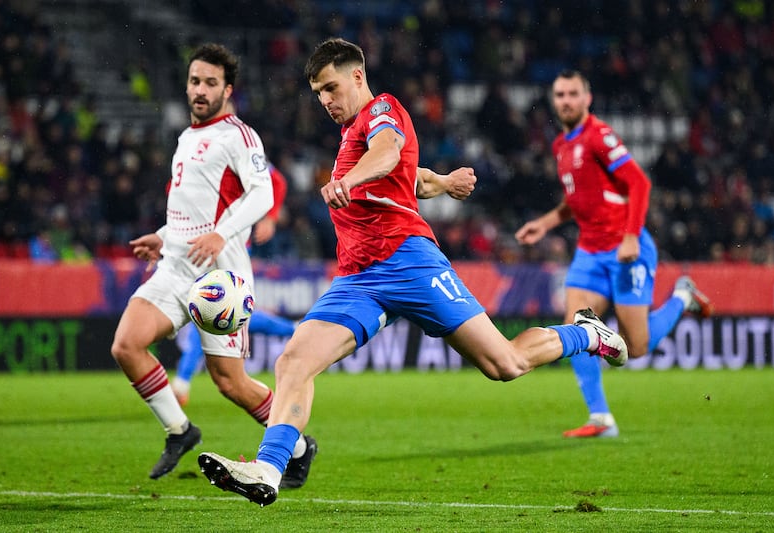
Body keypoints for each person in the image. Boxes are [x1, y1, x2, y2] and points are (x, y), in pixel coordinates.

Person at [196, 38, 628, 508]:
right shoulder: (350, 135)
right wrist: (442, 182)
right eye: (318, 93)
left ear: (357, 77)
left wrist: (348, 179)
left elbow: (386, 153)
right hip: (359, 277)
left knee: (504, 364)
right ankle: (268, 469)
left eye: (331, 88)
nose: (325, 101)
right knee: (294, 361)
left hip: (409, 261)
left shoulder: (383, 109)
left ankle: (585, 334)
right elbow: (405, 173)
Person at [110, 43, 316, 488]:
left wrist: (223, 233)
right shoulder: (186, 137)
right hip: (175, 266)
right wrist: (163, 236)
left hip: (221, 278)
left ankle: (299, 447)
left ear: (228, 90)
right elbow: (192, 207)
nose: (200, 90)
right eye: (194, 81)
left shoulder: (238, 136)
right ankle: (180, 431)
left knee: (230, 383)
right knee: (126, 345)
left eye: (210, 83)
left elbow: (261, 194)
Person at [515, 70, 713, 438]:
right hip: (589, 253)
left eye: (573, 93)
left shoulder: (599, 136)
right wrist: (545, 223)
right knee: (577, 327)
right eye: (560, 94)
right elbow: (578, 201)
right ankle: (601, 418)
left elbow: (639, 182)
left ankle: (682, 297)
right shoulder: (562, 145)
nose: (566, 100)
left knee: (635, 348)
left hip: (626, 250)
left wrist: (632, 236)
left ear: (587, 98)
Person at [171, 161, 298, 408]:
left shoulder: (240, 145)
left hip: (230, 248)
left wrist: (270, 218)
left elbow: (278, 181)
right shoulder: (194, 150)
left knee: (207, 310)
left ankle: (182, 382)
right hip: (201, 246)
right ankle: (296, 331)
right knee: (223, 314)